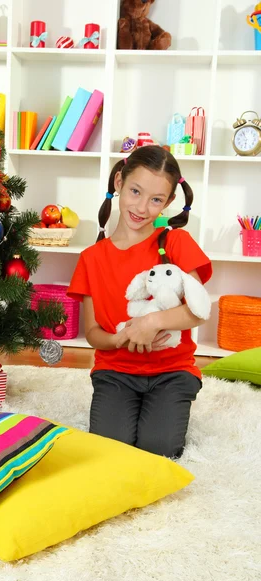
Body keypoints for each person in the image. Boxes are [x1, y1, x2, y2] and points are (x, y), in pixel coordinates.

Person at [67, 146, 212, 459]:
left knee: (158, 448)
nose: (142, 207)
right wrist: (120, 337)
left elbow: (199, 311)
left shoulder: (175, 242)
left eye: (156, 199)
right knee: (110, 450)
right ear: (119, 182)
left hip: (172, 371)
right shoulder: (91, 259)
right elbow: (92, 332)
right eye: (135, 191)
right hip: (115, 371)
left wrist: (151, 322)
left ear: (169, 202)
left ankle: (170, 405)